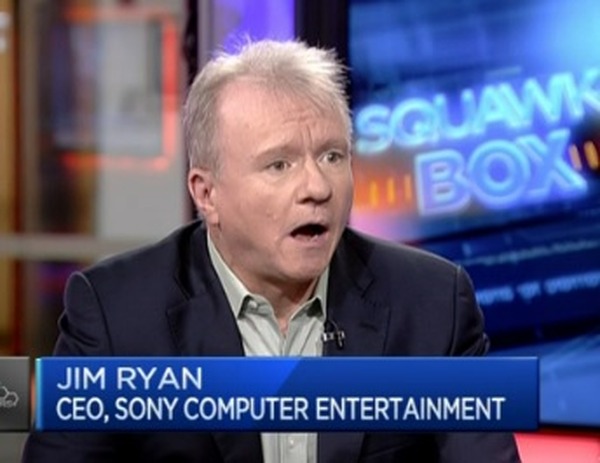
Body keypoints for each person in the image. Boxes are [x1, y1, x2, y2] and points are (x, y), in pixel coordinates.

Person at [22, 39, 521, 462]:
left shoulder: (433, 304)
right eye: (279, 165)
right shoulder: (118, 316)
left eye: (332, 156)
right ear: (207, 194)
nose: (317, 187)